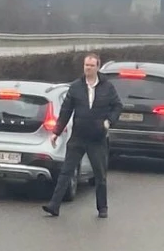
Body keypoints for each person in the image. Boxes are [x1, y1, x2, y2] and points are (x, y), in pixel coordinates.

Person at [44, 53, 120, 217]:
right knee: (66, 171)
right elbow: (66, 111)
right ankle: (54, 205)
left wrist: (109, 122)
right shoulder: (76, 87)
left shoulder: (107, 87)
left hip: (97, 138)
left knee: (100, 175)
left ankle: (102, 208)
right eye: (86, 65)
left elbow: (117, 106)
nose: (88, 68)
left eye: (91, 65)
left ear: (98, 67)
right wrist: (56, 132)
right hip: (78, 136)